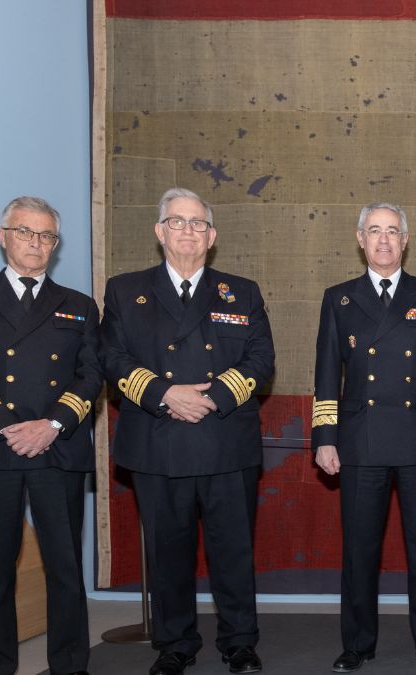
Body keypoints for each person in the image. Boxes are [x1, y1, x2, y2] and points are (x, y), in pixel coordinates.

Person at [100, 187, 275, 675]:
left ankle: (240, 641)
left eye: (197, 223)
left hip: (225, 442)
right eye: (177, 221)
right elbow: (112, 357)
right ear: (159, 231)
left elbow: (261, 359)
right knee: (168, 553)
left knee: (233, 552)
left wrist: (212, 397)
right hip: (158, 442)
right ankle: (174, 643)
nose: (187, 230)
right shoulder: (124, 290)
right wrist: (165, 394)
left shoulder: (241, 292)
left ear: (212, 236)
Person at [0, 196, 100, 675]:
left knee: (65, 570)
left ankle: (71, 665)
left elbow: (90, 375)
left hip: (59, 447)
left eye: (46, 235)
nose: (36, 243)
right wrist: (8, 428)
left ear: (56, 243)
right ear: (3, 235)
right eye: (25, 232)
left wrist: (51, 425)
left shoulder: (79, 304)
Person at [313, 202, 416, 672]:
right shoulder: (338, 298)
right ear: (360, 239)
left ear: (404, 241)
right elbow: (325, 376)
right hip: (360, 442)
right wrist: (324, 437)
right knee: (360, 550)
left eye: (392, 232)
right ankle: (356, 644)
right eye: (374, 231)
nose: (383, 240)